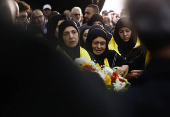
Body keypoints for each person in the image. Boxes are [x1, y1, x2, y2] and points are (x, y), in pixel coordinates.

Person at [1, 0, 116, 116]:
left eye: (74, 32)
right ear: (61, 37)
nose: (71, 37)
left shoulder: (88, 54)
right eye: (66, 34)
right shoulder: (52, 57)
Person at [111, 0, 170, 116]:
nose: (125, 34)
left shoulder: (124, 104)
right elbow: (140, 57)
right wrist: (128, 65)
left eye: (128, 31)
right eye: (121, 32)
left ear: (136, 32)